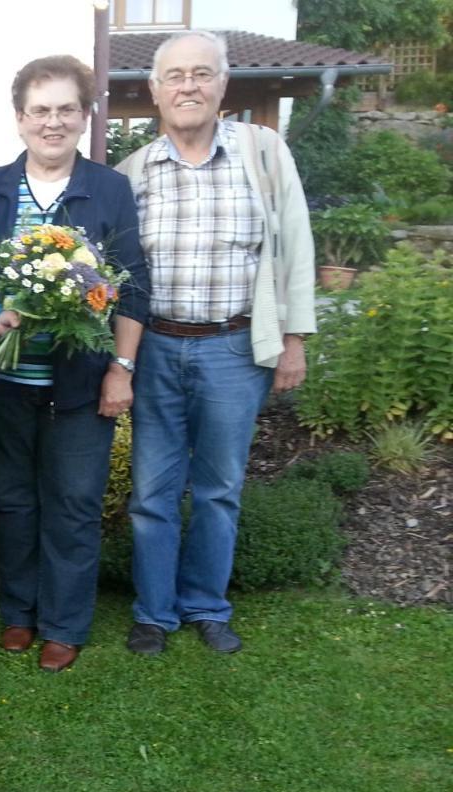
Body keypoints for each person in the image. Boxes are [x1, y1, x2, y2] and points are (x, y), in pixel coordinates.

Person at [115, 31, 315, 656]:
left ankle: (206, 605)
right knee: (151, 491)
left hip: (233, 348)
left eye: (202, 74)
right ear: (154, 91)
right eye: (175, 76)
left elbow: (297, 247)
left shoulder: (263, 152)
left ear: (223, 85)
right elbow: (115, 271)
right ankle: (154, 611)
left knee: (219, 488)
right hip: (157, 351)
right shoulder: (133, 171)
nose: (188, 87)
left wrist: (294, 337)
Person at [0, 57, 150, 673]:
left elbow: (133, 286)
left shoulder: (108, 189)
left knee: (73, 504)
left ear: (85, 115)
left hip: (79, 386)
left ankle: (65, 623)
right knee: (14, 502)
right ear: (20, 118)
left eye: (66, 109)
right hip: (6, 385)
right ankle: (19, 612)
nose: (53, 122)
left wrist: (121, 368)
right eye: (40, 110)